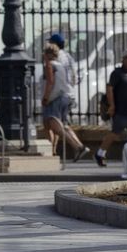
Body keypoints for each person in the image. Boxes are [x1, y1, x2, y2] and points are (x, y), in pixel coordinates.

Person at [40, 33, 86, 164]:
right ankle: (72, 147)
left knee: (53, 125)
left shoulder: (54, 61)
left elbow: (50, 81)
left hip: (56, 96)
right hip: (68, 94)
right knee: (62, 124)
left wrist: (46, 97)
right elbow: (74, 77)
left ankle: (74, 147)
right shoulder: (69, 57)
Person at [96, 49, 127, 167]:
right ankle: (100, 154)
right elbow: (109, 88)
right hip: (122, 111)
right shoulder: (117, 73)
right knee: (115, 133)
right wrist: (112, 105)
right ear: (124, 59)